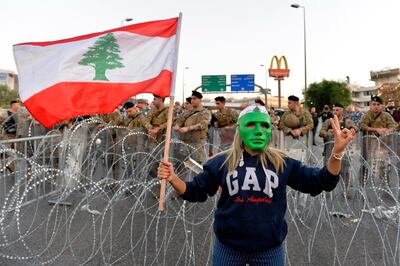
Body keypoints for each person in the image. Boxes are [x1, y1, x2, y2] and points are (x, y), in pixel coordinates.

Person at [158, 105, 354, 265]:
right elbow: (195, 192)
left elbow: (321, 182)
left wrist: (336, 153)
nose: (259, 131)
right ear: (240, 129)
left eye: (264, 126)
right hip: (229, 248)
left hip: (269, 250)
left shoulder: (283, 163)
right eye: (251, 125)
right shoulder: (222, 163)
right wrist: (173, 178)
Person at [173, 90, 211, 164]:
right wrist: (177, 126)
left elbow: (203, 124)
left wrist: (188, 128)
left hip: (197, 143)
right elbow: (180, 119)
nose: (192, 100)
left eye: (194, 98)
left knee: (196, 165)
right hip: (185, 142)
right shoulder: (188, 112)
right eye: (191, 99)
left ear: (200, 100)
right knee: (184, 164)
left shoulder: (205, 112)